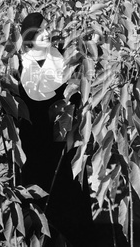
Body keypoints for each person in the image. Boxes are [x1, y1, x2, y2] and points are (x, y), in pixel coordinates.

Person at [18, 12, 93, 247]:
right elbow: (28, 106)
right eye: (39, 31)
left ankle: (76, 236)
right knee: (41, 190)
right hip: (38, 144)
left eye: (46, 29)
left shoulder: (58, 57)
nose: (46, 34)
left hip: (62, 140)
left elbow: (70, 90)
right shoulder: (22, 65)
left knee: (69, 187)